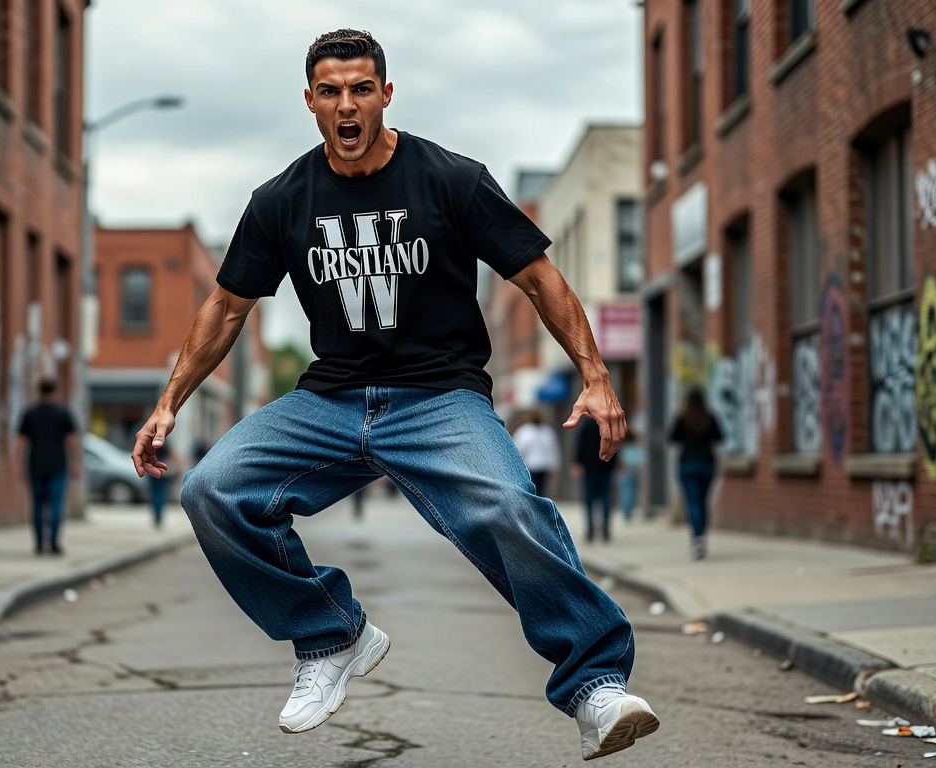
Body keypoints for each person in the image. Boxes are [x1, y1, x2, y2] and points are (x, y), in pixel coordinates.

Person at [131, 30, 658, 761]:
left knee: (509, 507)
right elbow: (225, 308)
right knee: (213, 488)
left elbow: (538, 277)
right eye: (330, 92)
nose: (347, 105)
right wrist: (169, 402)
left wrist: (596, 377)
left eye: (360, 89)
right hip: (331, 398)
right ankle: (330, 635)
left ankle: (595, 686)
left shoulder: (451, 179)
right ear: (310, 102)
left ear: (385, 94)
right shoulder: (282, 200)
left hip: (439, 396)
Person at [17, 379, 79, 555]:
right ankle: (53, 544)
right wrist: (75, 462)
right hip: (58, 465)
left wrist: (20, 463)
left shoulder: (30, 413)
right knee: (55, 505)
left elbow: (21, 441)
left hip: (35, 464)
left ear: (39, 391)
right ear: (54, 391)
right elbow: (72, 440)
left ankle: (38, 544)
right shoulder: (62, 413)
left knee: (37, 505)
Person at [668, 388, 723, 560]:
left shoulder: (682, 417)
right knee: (702, 501)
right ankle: (701, 538)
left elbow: (671, 438)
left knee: (692, 502)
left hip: (687, 464)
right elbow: (720, 438)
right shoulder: (709, 417)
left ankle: (697, 539)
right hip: (707, 464)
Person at [572, 415, 617, 543]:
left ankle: (591, 530)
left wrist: (578, 463)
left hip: (590, 466)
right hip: (606, 465)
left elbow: (580, 444)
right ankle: (605, 530)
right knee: (605, 497)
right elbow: (615, 443)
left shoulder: (587, 424)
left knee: (589, 499)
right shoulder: (609, 423)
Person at [512, 408, 561, 497]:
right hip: (543, 466)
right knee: (541, 491)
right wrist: (554, 467)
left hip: (529, 465)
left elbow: (518, 449)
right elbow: (552, 450)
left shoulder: (525, 431)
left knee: (530, 491)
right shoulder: (547, 431)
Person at [147, 443, 178, 529]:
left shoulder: (150, 444)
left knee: (154, 494)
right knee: (160, 494)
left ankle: (156, 517)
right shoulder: (164, 443)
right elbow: (171, 455)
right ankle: (159, 517)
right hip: (162, 472)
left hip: (152, 469)